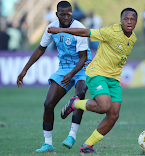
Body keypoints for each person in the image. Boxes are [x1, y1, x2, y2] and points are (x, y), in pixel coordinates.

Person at [48, 7, 138, 153]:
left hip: (114, 79)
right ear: (120, 21)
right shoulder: (111, 32)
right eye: (125, 19)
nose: (129, 21)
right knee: (104, 107)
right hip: (97, 74)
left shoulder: (133, 38)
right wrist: (60, 30)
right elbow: (85, 33)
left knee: (114, 114)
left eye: (132, 19)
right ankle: (75, 103)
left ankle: (87, 146)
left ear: (136, 22)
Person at [16, 1, 92, 153]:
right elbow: (40, 48)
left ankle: (72, 135)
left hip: (83, 67)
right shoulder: (51, 28)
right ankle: (48, 143)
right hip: (64, 69)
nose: (66, 17)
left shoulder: (80, 28)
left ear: (72, 13)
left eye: (69, 14)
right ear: (57, 14)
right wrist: (25, 70)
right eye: (62, 14)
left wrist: (72, 74)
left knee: (81, 93)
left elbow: (83, 57)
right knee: (48, 104)